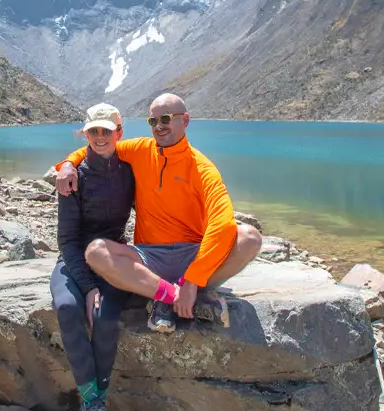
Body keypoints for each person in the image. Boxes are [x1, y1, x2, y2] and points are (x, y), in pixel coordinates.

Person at [54, 93, 263, 334]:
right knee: (96, 252)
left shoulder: (202, 167)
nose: (159, 127)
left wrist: (193, 278)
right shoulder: (139, 150)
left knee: (249, 237)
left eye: (165, 119)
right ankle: (173, 295)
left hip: (192, 254)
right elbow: (98, 147)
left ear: (185, 121)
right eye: (153, 121)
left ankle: (183, 292)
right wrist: (68, 164)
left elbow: (223, 223)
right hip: (149, 257)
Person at [50, 103, 135, 411]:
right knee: (68, 309)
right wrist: (86, 287)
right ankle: (95, 409)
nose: (99, 137)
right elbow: (67, 239)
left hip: (113, 255)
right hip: (73, 260)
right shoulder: (72, 177)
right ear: (86, 135)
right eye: (92, 132)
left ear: (119, 131)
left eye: (106, 131)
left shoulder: (132, 170)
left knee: (105, 317)